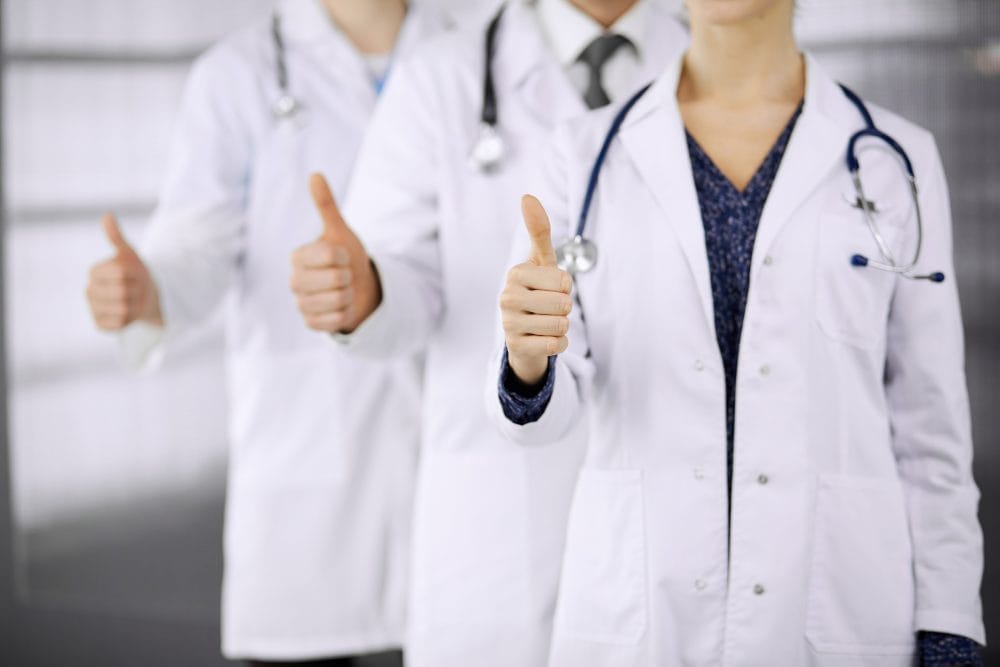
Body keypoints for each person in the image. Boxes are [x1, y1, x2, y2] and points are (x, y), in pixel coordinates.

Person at [492, 0, 985, 665]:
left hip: (836, 612)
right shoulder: (582, 156)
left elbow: (932, 433)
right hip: (642, 614)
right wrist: (527, 360)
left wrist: (948, 628)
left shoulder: (898, 161)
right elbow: (548, 414)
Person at [286, 1, 687, 664]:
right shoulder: (441, 78)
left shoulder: (709, 67)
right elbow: (402, 276)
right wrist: (369, 290)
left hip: (672, 508)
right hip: (501, 521)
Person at [83, 1, 446, 664]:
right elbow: (195, 244)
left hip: (459, 466)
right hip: (307, 475)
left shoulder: (471, 51)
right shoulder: (237, 74)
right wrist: (150, 287)